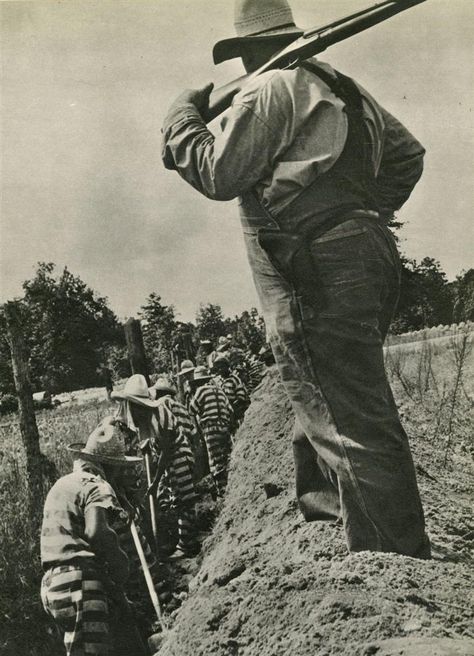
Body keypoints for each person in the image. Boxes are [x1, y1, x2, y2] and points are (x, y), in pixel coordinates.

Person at [161, 0, 430, 557]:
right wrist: (351, 213)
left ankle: (391, 559)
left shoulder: (271, 90)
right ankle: (330, 519)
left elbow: (217, 173)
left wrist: (181, 118)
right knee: (326, 388)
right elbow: (406, 158)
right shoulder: (345, 89)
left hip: (315, 264)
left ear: (248, 52)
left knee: (347, 413)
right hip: (367, 253)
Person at [40, 416, 143, 656]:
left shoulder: (62, 485)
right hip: (79, 582)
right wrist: (120, 561)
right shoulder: (97, 485)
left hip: (52, 586)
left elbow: (76, 547)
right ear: (108, 466)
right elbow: (96, 532)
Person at [112, 374, 200, 558]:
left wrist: (156, 480)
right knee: (174, 499)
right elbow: (152, 441)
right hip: (169, 458)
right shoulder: (144, 416)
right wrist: (148, 444)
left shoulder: (159, 413)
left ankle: (187, 545)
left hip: (179, 456)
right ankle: (178, 540)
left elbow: (167, 450)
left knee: (184, 499)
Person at [189, 366, 234, 496]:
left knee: (215, 460)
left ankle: (222, 491)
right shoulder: (219, 390)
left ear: (198, 382)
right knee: (225, 457)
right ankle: (230, 487)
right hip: (224, 427)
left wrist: (197, 430)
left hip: (210, 428)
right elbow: (230, 410)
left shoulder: (201, 391)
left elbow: (192, 410)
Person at [212, 355, 250, 427]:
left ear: (227, 366)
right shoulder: (218, 381)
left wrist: (233, 406)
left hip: (237, 408)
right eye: (218, 368)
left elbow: (241, 396)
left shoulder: (234, 379)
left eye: (222, 367)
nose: (220, 369)